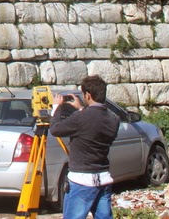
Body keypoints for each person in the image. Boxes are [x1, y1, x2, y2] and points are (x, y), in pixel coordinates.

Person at [50, 75, 120, 219]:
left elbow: (56, 129)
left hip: (82, 180)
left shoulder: (81, 118)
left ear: (87, 95)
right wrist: (81, 108)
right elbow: (93, 123)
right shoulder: (114, 119)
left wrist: (56, 107)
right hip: (103, 178)